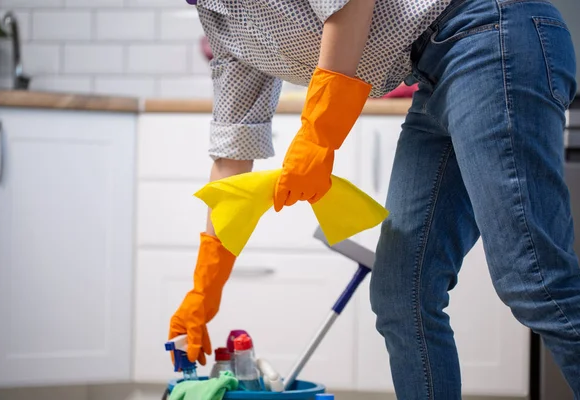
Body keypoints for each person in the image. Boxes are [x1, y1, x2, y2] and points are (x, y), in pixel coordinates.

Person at [168, 0, 580, 398]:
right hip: (433, 69)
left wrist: (318, 136)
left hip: (490, 31)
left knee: (535, 279)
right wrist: (204, 289)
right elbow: (232, 152)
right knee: (403, 295)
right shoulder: (219, 19)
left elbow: (351, 4)